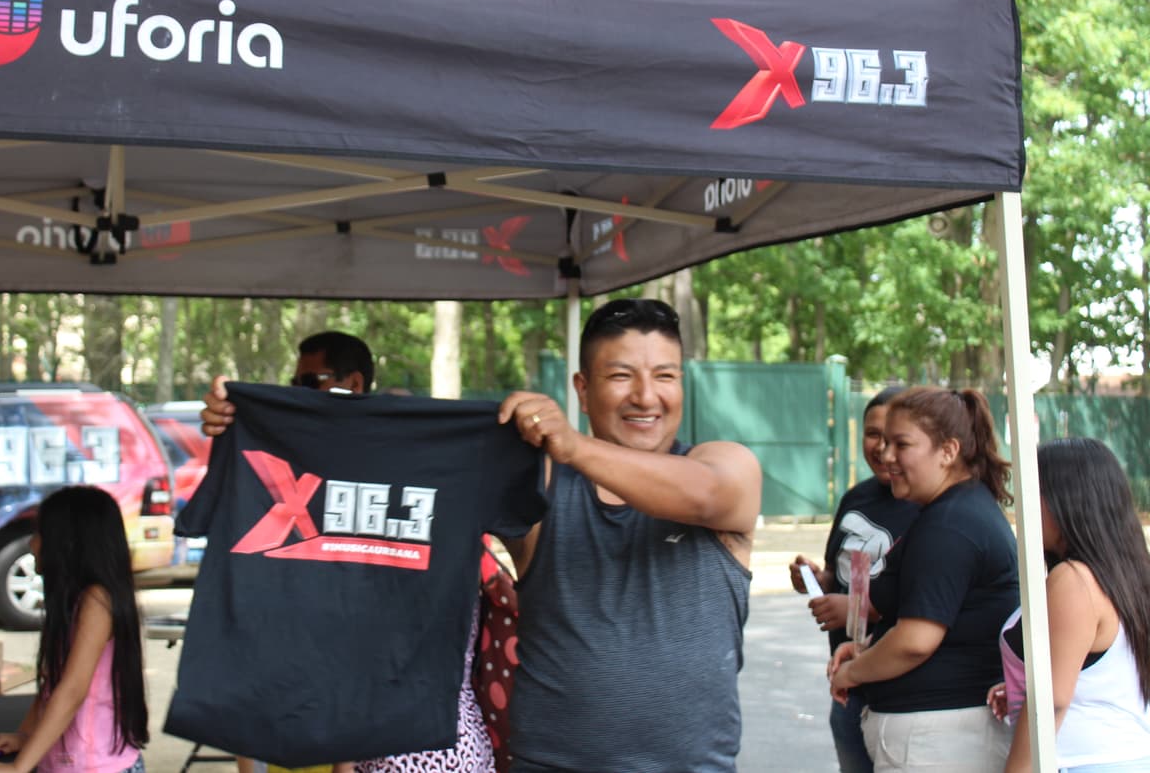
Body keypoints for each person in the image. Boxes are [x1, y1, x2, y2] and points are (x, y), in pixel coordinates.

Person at [202, 331, 495, 773]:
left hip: (432, 754)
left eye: (310, 381)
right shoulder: (331, 505)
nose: (300, 393)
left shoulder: (427, 523)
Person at [496, 298, 762, 772]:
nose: (645, 396)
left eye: (665, 376)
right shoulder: (542, 482)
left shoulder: (728, 465)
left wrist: (574, 445)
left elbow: (705, 495)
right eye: (621, 376)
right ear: (582, 389)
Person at [828, 386, 1018, 773]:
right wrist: (866, 650)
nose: (886, 455)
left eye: (902, 444)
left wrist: (853, 673)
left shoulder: (951, 524)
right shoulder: (952, 511)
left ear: (948, 451)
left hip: (935, 742)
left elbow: (916, 641)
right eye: (884, 442)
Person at [0, 486, 148, 773]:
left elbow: (72, 690)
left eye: (39, 534)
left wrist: (17, 768)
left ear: (67, 542)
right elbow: (53, 684)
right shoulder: (74, 601)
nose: (32, 544)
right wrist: (25, 735)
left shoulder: (97, 601)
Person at [989, 438, 1150, 773]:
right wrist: (1020, 690)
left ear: (1067, 499)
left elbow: (1052, 700)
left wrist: (1018, 768)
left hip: (1080, 760)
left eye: (1034, 492)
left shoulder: (1074, 580)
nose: (1023, 505)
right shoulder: (1125, 574)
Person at [789, 386, 918, 773]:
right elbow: (839, 573)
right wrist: (817, 579)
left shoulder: (927, 507)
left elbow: (928, 603)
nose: (882, 449)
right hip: (848, 688)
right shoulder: (856, 498)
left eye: (895, 439)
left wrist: (862, 610)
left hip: (902, 692)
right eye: (873, 434)